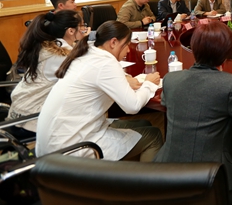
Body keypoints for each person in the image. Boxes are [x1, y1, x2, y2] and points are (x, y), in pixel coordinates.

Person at [154, 21, 232, 204]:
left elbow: (165, 101)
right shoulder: (229, 84)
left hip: (164, 178)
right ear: (226, 54)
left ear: (193, 49)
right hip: (212, 184)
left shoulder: (171, 80)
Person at [36, 21, 163, 162]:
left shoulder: (89, 51)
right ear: (113, 42)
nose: (128, 50)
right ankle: (137, 176)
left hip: (54, 140)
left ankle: (123, 171)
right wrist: (148, 84)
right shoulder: (106, 62)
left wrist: (125, 79)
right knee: (153, 136)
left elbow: (101, 76)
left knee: (143, 125)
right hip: (69, 148)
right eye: (126, 45)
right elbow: (133, 106)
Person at [6, 11, 87, 139]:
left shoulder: (48, 46)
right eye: (82, 26)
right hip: (30, 121)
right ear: (71, 31)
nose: (85, 29)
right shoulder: (60, 56)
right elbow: (86, 71)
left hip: (19, 113)